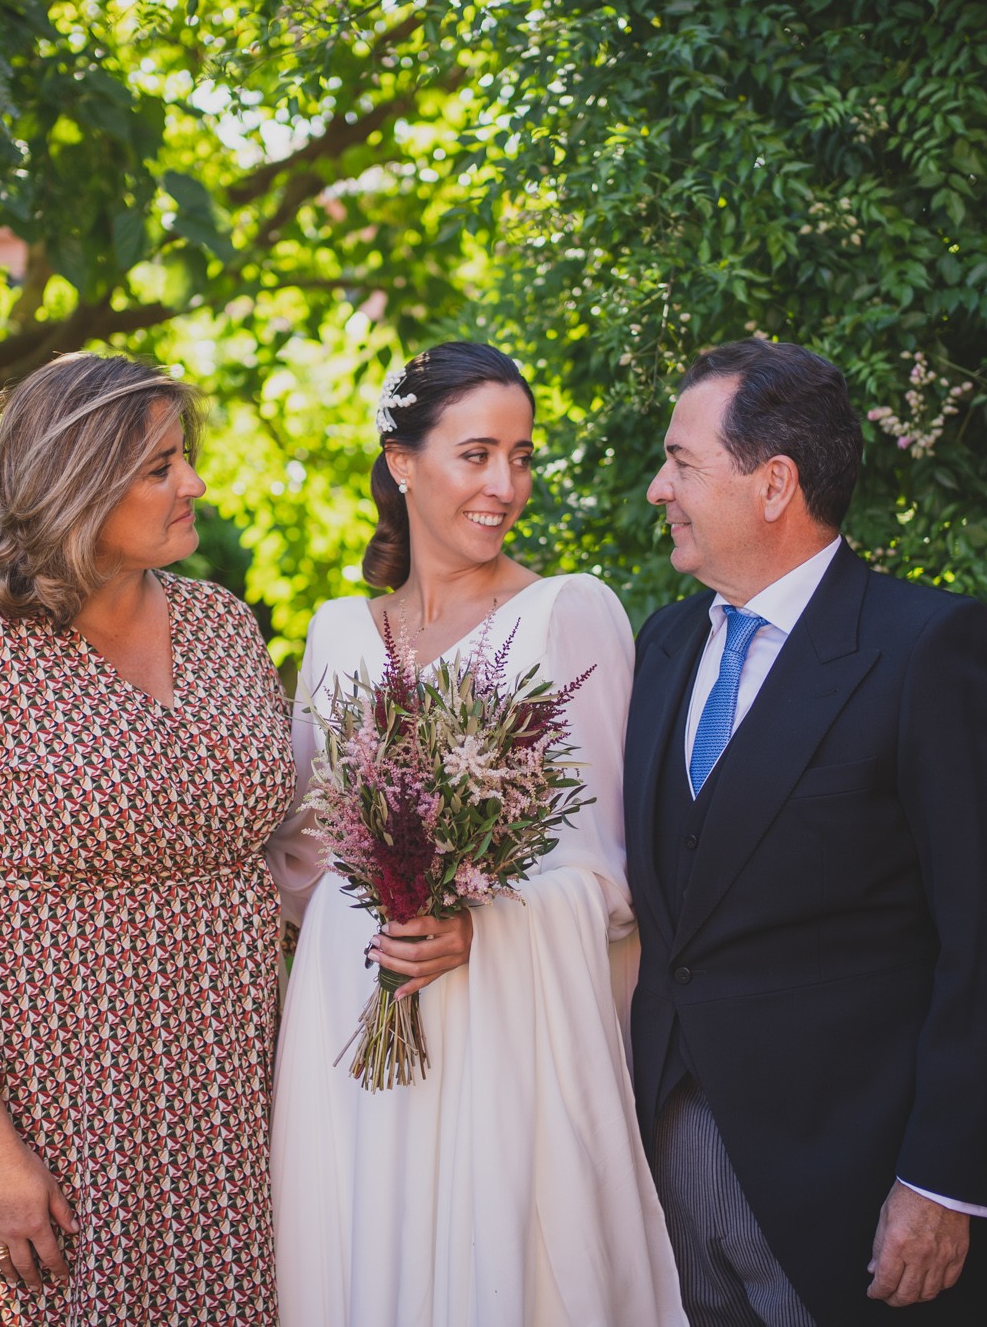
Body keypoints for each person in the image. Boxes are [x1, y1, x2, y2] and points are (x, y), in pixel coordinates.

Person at [0, 352, 297, 1323]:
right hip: (53, 1107)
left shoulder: (222, 626)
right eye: (160, 466)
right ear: (75, 481)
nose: (193, 483)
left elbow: (286, 837)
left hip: (224, 1092)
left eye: (185, 456)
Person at [624, 339, 987, 1325]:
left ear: (773, 483)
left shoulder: (926, 649)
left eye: (681, 462)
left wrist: (945, 1181)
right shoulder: (664, 642)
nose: (658, 488)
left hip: (848, 1193)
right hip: (665, 1165)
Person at [268, 342, 687, 1326]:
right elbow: (305, 851)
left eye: (522, 455)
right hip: (348, 1012)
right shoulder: (333, 630)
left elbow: (614, 872)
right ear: (401, 462)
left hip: (501, 1026)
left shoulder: (566, 615)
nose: (505, 484)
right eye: (476, 454)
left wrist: (481, 924)